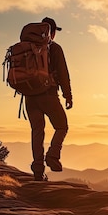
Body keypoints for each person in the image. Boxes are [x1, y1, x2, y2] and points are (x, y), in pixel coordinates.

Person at [25, 17, 72, 181]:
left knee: (37, 132)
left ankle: (38, 171)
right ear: (51, 31)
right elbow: (63, 73)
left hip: (30, 97)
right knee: (62, 126)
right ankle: (52, 155)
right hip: (48, 95)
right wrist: (68, 95)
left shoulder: (27, 49)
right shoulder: (54, 48)